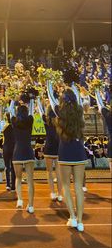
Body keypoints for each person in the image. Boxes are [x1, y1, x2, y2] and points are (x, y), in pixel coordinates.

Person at [48, 85, 87, 232]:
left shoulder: (59, 111)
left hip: (65, 151)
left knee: (65, 186)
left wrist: (47, 81)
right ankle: (81, 221)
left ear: (63, 100)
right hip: (78, 151)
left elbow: (51, 98)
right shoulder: (79, 111)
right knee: (78, 187)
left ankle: (72, 218)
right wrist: (73, 87)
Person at [10, 97, 35, 213]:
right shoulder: (30, 120)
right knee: (30, 181)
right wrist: (32, 99)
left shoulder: (14, 121)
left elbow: (10, 111)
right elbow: (32, 110)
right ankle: (31, 205)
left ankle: (20, 200)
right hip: (28, 151)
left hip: (18, 151)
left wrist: (12, 100)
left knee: (18, 178)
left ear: (17, 112)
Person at [42, 104, 62, 202]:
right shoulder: (60, 120)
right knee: (58, 173)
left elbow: (41, 111)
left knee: (49, 172)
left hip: (49, 148)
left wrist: (37, 99)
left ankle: (52, 193)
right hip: (58, 148)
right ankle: (60, 194)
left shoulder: (46, 120)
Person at [3, 113, 16, 191]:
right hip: (13, 147)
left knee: (7, 166)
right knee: (13, 167)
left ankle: (8, 184)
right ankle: (13, 185)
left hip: (6, 147)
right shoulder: (15, 126)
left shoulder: (5, 126)